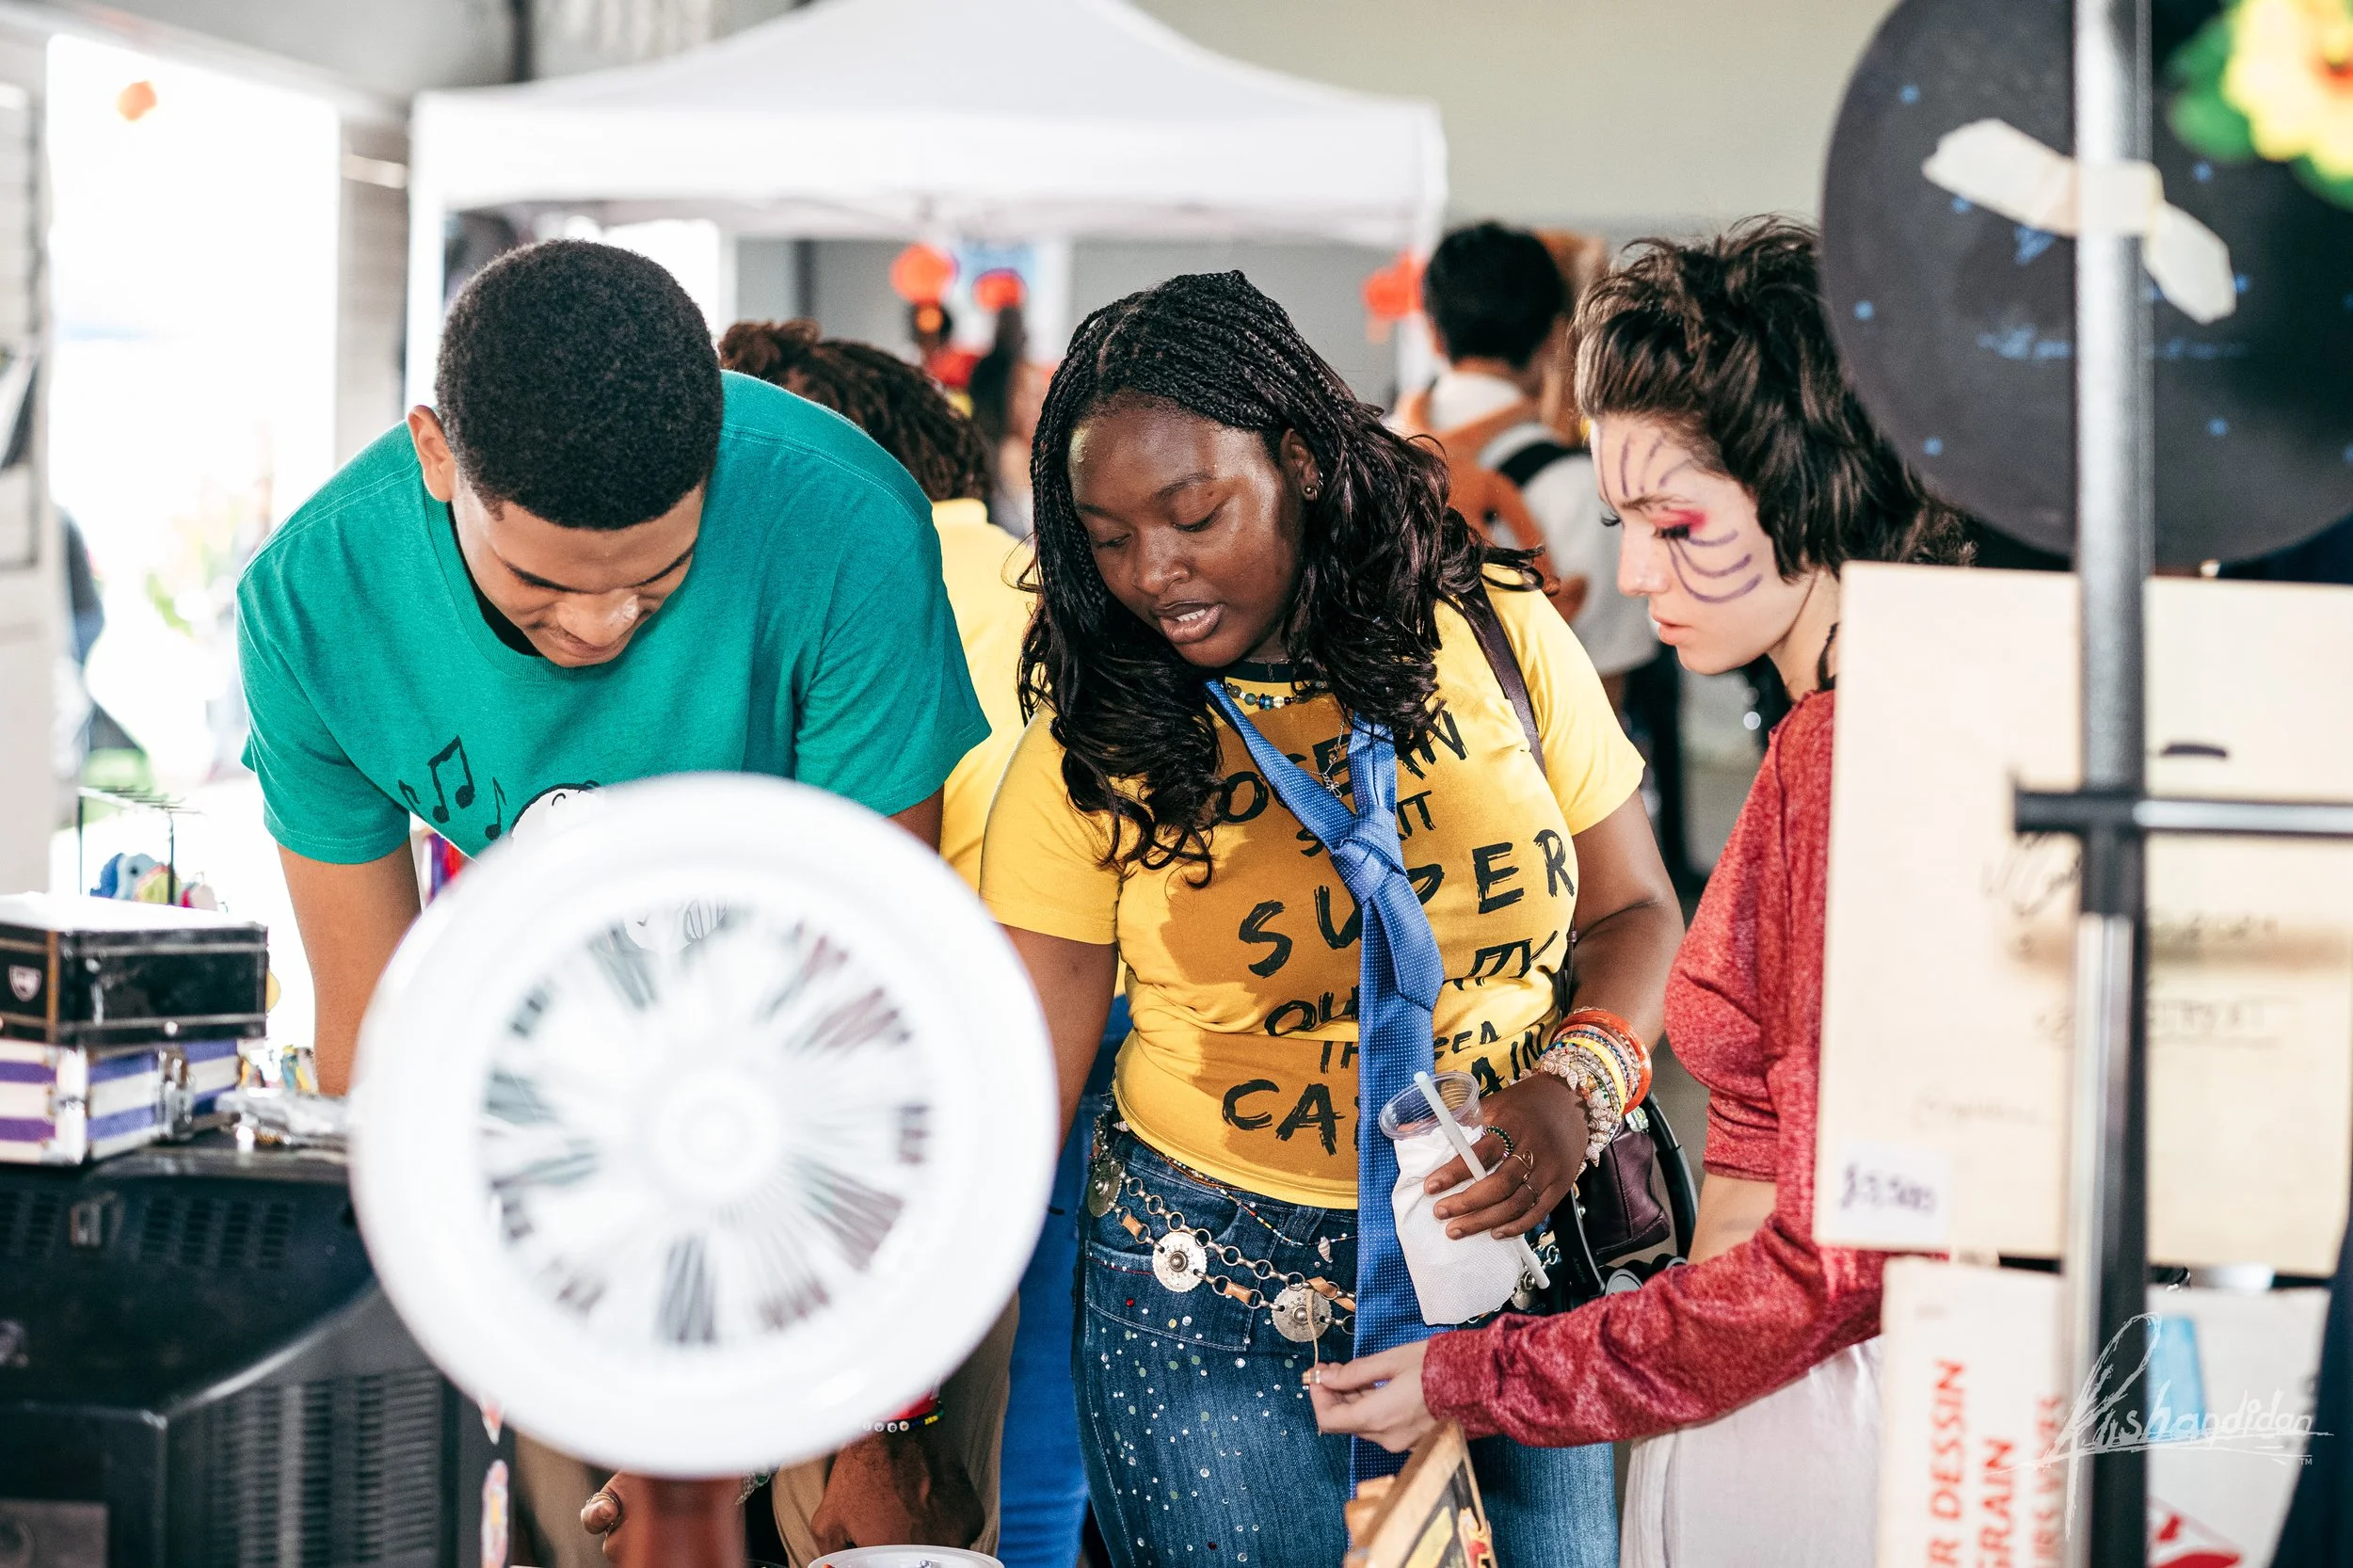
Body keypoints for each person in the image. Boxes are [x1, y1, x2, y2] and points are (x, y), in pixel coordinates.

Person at [235, 241, 990, 1565]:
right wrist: (436, 1368)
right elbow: (375, 1036)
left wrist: (869, 1415)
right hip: (556, 1170)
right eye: (542, 587)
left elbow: (868, 1017)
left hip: (839, 1170)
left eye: (657, 577)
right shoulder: (319, 603)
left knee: (867, 1533)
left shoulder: (845, 525)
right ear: (435, 455)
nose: (598, 626)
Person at [981, 270, 1684, 1568]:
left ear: (1299, 460)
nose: (1155, 574)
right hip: (1212, 1301)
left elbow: (1639, 904)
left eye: (1193, 515)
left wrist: (1574, 1088)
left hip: (1511, 1270)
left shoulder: (1496, 631)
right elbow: (1015, 1113)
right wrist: (898, 1421)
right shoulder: (1088, 753)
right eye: (1108, 536)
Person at [1309, 219, 1973, 1568]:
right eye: (1624, 523)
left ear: (1813, 487)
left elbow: (1828, 1258)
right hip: (1802, 1393)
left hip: (1813, 1417)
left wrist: (1486, 1376)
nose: (1632, 573)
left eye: (1676, 524)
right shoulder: (1876, 723)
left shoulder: (1844, 754)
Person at [717, 317, 1055, 1566]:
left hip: (862, 1211)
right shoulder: (1051, 602)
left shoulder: (849, 610)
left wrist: (884, 1409)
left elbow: (865, 1011)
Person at [1410, 222, 1659, 703]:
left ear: (1433, 333)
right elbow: (1605, 691)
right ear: (1553, 337)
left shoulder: (1364, 461)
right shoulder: (1584, 485)